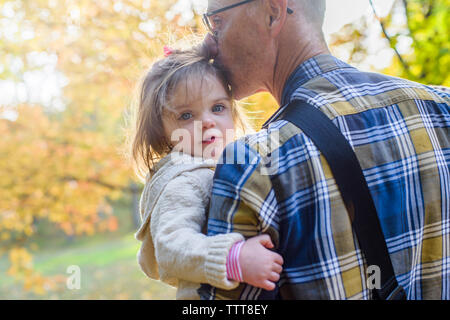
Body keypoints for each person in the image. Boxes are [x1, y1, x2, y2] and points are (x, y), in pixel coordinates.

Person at [199, 0, 450, 299]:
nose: (208, 45)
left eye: (216, 23)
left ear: (273, 12)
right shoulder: (443, 109)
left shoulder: (253, 163)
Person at [131, 48, 284, 300]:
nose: (207, 122)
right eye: (187, 115)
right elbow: (171, 247)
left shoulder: (228, 162)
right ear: (162, 132)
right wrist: (234, 258)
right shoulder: (185, 179)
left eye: (218, 107)